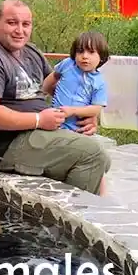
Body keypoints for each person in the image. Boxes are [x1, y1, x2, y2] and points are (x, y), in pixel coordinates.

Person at [0, 0, 111, 195]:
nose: (20, 30)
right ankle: (74, 211)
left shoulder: (31, 52)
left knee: (101, 160)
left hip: (39, 133)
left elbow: (59, 87)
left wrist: (87, 115)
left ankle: (77, 206)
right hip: (7, 145)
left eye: (26, 24)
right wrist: (39, 119)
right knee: (93, 155)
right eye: (12, 23)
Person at [42, 30, 111, 195]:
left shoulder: (99, 82)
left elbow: (96, 108)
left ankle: (103, 197)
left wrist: (72, 111)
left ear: (101, 57)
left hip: (78, 128)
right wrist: (46, 93)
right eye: (80, 51)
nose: (85, 56)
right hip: (56, 124)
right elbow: (52, 79)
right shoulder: (67, 65)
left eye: (91, 52)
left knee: (96, 158)